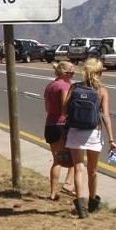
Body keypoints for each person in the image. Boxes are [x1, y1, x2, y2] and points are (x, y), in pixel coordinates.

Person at [62, 58, 116, 218]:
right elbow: (106, 116)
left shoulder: (74, 88)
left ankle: (81, 207)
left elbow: (64, 110)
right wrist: (111, 140)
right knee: (92, 170)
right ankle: (93, 202)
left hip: (75, 132)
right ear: (99, 73)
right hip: (93, 133)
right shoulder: (101, 91)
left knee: (78, 169)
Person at [43, 61, 76, 201]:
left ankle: (53, 192)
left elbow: (47, 108)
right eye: (71, 72)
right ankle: (69, 184)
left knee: (57, 160)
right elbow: (65, 108)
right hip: (62, 125)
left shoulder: (50, 86)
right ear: (64, 73)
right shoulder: (65, 86)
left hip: (50, 125)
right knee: (76, 158)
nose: (73, 75)